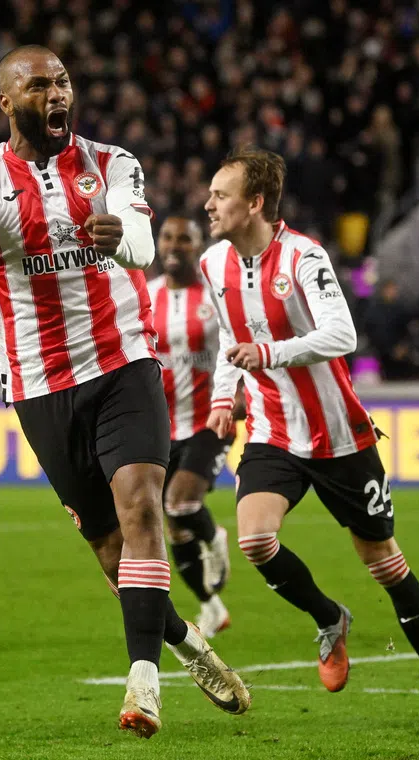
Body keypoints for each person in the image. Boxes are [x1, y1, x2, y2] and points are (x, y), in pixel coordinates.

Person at [0, 46, 248, 738]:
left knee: (143, 512)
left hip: (123, 364)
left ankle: (143, 686)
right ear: (6, 102)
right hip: (41, 385)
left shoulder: (112, 162)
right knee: (114, 555)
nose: (55, 94)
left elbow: (138, 233)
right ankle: (189, 644)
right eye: (38, 85)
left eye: (62, 82)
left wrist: (125, 240)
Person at [200, 146, 419, 729]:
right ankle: (329, 619)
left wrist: (267, 353)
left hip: (339, 436)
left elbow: (341, 334)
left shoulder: (304, 256)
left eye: (221, 194)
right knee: (254, 541)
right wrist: (224, 398)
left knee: (384, 564)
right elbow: (228, 340)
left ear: (255, 203)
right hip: (272, 431)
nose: (209, 203)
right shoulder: (213, 264)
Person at [147, 215, 235, 639]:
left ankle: (216, 536)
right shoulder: (146, 296)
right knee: (175, 526)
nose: (174, 245)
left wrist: (238, 398)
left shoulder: (217, 297)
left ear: (198, 246)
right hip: (161, 426)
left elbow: (239, 349)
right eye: (168, 237)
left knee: (181, 504)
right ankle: (210, 605)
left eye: (185, 239)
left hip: (210, 418)